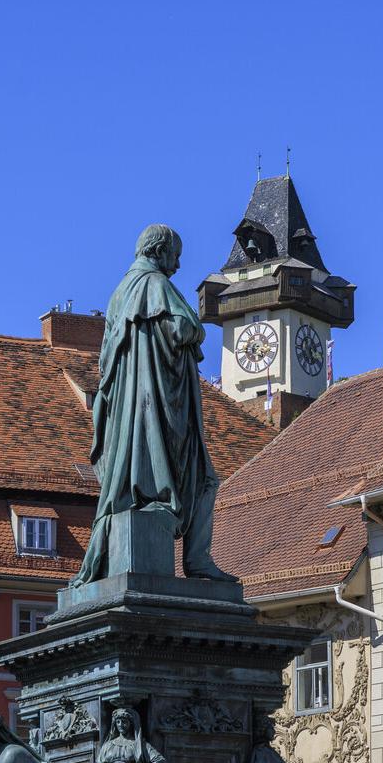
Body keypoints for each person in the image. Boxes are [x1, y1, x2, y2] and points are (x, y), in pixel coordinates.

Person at [72, 223, 236, 586]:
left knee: (200, 480)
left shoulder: (120, 293)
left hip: (136, 409)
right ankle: (198, 561)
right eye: (175, 256)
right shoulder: (153, 284)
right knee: (204, 479)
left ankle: (198, 561)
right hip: (161, 405)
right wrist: (197, 329)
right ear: (159, 251)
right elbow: (181, 328)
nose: (177, 266)